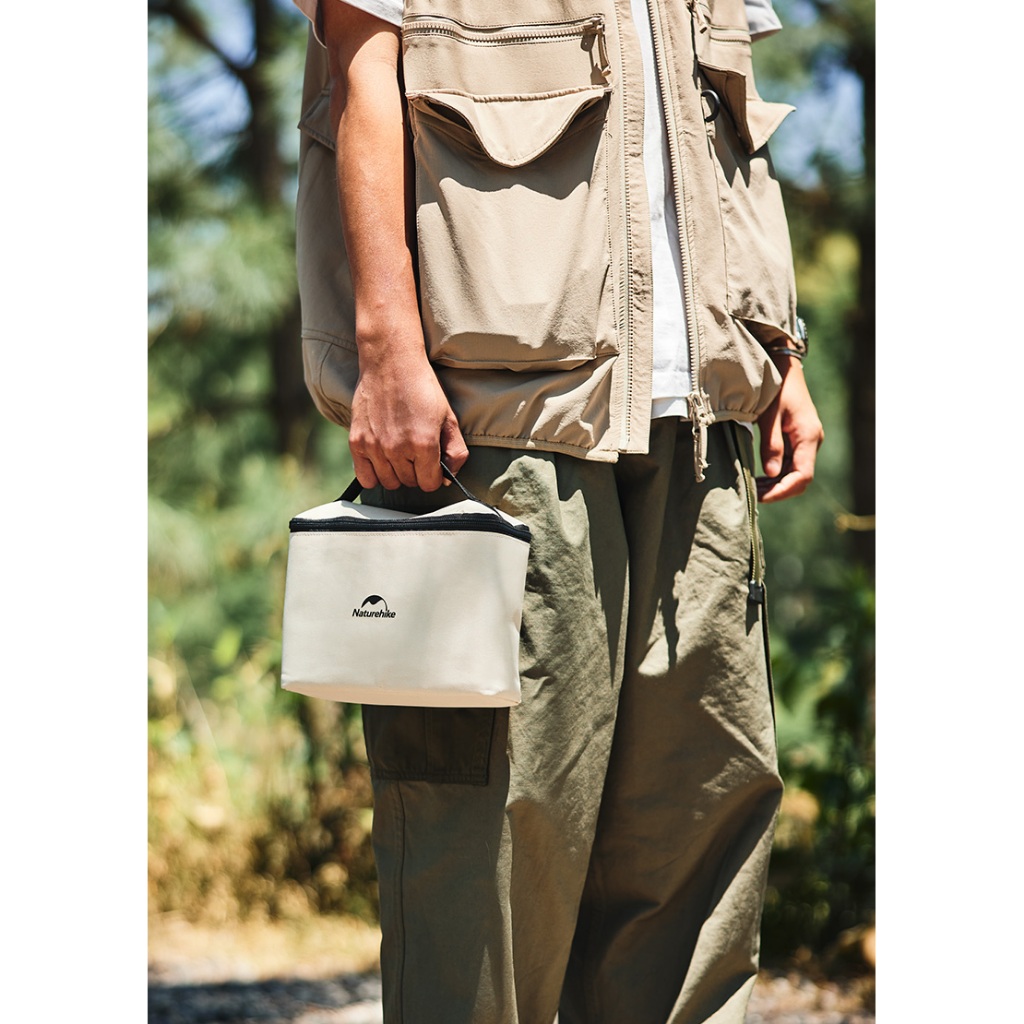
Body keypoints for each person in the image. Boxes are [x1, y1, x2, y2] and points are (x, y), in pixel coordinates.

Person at [289, 0, 824, 1021]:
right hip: (497, 427)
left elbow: (727, 132)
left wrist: (775, 346)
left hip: (700, 426)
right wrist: (386, 351)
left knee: (697, 830)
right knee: (488, 852)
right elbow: (362, 79)